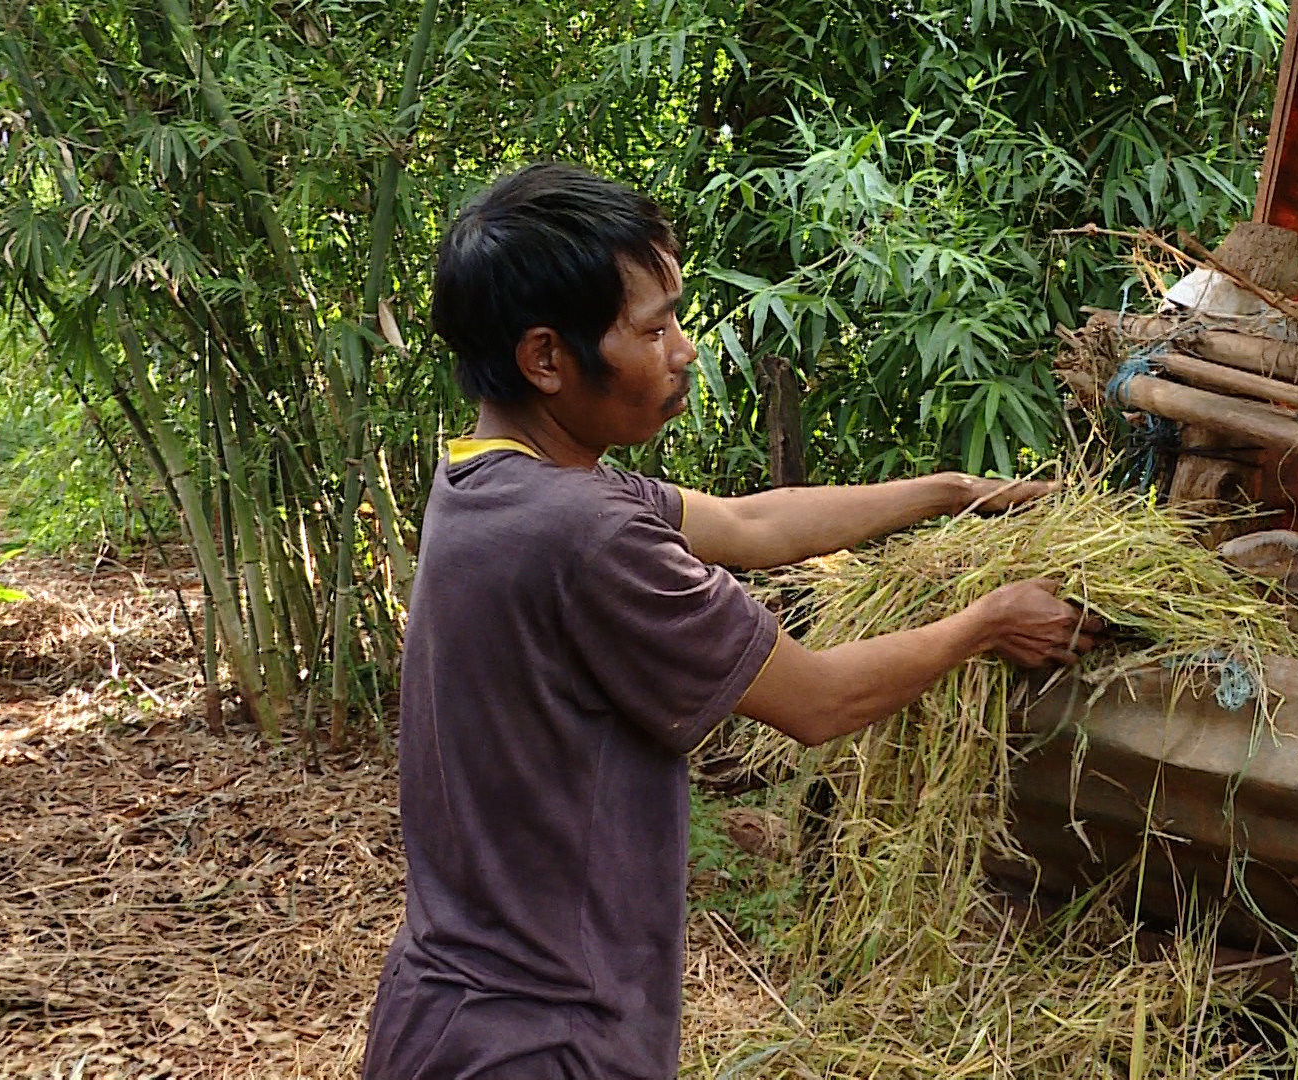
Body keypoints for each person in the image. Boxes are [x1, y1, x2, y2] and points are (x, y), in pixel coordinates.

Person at [361, 162, 1100, 1079]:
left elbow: (755, 524)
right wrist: (986, 623)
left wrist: (958, 493)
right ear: (546, 358)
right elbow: (818, 701)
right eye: (653, 327)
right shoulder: (583, 534)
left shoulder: (494, 478)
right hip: (539, 1038)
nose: (683, 350)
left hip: (451, 1014)